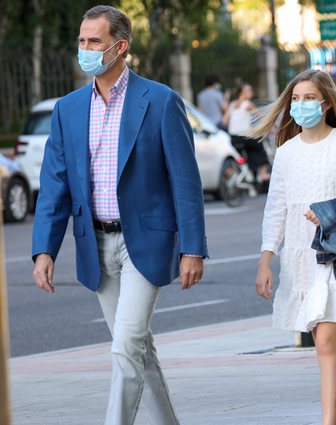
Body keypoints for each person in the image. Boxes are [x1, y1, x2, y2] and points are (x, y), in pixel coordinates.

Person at [31, 5, 207, 425]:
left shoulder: (161, 101)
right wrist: (44, 250)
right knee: (137, 348)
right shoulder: (68, 109)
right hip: (95, 242)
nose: (85, 49)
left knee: (124, 345)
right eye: (81, 41)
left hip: (144, 242)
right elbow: (55, 184)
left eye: (94, 41)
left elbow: (185, 181)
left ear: (120, 47)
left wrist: (192, 248)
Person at [252, 69, 336, 425]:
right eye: (295, 99)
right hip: (299, 260)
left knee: (326, 344)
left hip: (334, 258)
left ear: (326, 103)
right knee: (328, 349)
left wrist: (331, 213)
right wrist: (266, 259)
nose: (301, 105)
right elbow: (276, 208)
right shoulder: (286, 153)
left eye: (309, 98)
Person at [223, 83, 271, 188]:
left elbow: (225, 121)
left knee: (249, 151)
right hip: (245, 137)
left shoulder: (232, 105)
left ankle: (247, 173)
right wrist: (268, 126)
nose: (251, 92)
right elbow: (261, 117)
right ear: (242, 93)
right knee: (260, 148)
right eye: (249, 90)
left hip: (234, 138)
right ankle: (263, 175)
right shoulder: (247, 104)